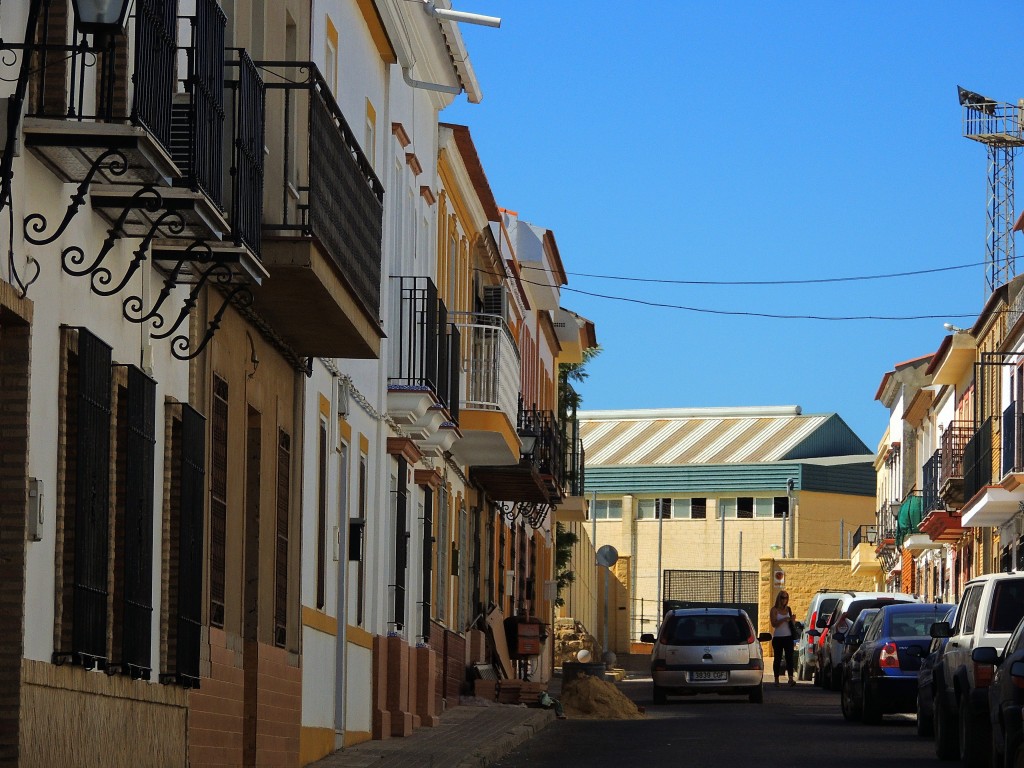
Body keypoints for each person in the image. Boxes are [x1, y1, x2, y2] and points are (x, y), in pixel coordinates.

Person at [769, 590, 797, 687]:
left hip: (788, 637)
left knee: (790, 658)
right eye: (782, 598)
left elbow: (791, 624)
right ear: (779, 598)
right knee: (778, 658)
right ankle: (776, 679)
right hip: (778, 637)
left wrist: (792, 620)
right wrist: (784, 619)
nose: (784, 600)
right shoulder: (774, 610)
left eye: (786, 598)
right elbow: (773, 624)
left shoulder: (788, 609)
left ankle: (790, 678)